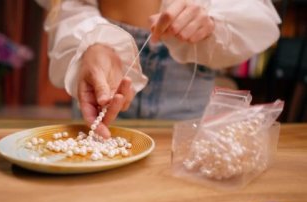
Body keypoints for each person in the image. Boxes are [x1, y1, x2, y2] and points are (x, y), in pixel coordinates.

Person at [35, 0, 281, 138]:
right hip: (102, 72)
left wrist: (213, 21)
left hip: (189, 99)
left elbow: (256, 15)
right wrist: (93, 41)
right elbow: (68, 5)